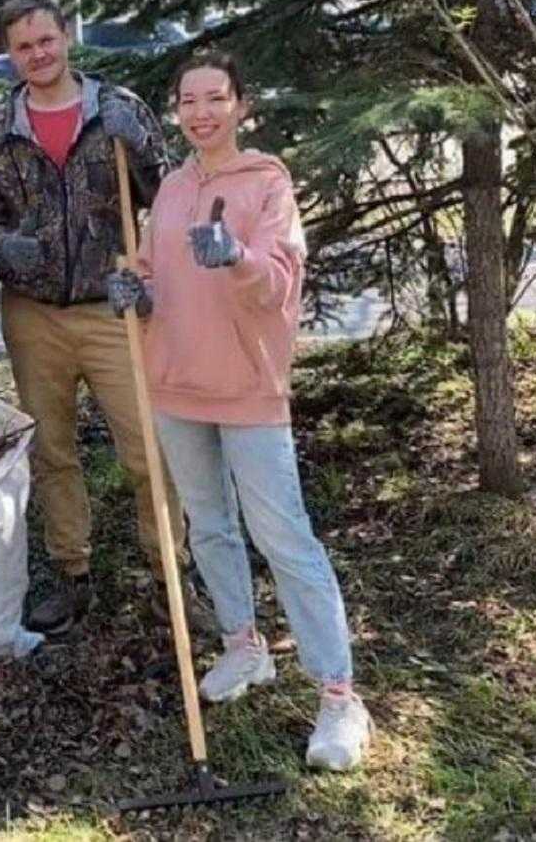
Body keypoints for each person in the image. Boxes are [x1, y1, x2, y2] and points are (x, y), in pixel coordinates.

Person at [107, 51, 372, 770]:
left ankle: (340, 696)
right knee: (209, 525)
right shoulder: (169, 188)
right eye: (188, 101)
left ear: (241, 105)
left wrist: (237, 259)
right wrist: (138, 290)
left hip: (249, 388)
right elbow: (158, 274)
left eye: (215, 98)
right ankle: (243, 646)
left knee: (283, 534)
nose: (200, 112)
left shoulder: (266, 181)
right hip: (175, 386)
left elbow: (279, 281)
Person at [0, 0, 202, 637]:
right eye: (23, 46)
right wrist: (6, 250)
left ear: (64, 38)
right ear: (9, 55)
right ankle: (71, 574)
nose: (38, 55)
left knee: (148, 449)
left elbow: (170, 199)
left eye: (46, 40)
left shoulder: (120, 110)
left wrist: (147, 160)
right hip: (34, 314)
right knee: (52, 451)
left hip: (112, 308)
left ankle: (171, 576)